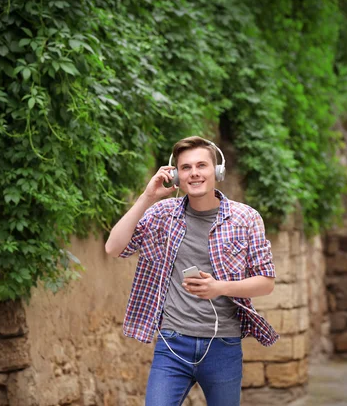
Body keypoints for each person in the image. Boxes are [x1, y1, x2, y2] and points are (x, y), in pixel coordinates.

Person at [105, 136, 279, 406]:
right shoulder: (162, 214)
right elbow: (113, 247)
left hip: (223, 345)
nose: (194, 173)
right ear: (176, 175)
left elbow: (266, 282)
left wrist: (219, 288)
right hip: (173, 343)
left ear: (217, 171)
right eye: (186, 167)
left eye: (202, 165)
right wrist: (147, 197)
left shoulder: (246, 217)